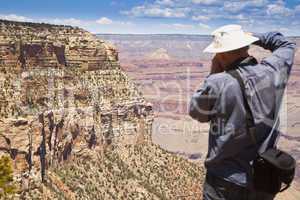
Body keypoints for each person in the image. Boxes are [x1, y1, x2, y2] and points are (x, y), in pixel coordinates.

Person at [189, 25, 295, 200]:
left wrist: (213, 72)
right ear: (246, 46)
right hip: (264, 177)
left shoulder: (217, 82)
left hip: (224, 180)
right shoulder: (274, 71)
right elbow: (286, 45)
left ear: (221, 54)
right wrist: (254, 36)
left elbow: (198, 113)